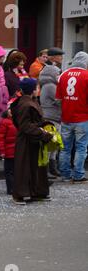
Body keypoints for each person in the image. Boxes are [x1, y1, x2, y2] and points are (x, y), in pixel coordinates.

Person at [11, 78, 53, 204]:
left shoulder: (28, 101)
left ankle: (37, 192)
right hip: (26, 140)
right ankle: (20, 195)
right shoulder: (26, 104)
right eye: (37, 87)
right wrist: (42, 132)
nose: (38, 89)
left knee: (36, 167)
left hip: (32, 139)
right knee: (24, 168)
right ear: (33, 90)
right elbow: (25, 125)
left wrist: (45, 125)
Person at [55, 51, 88, 183]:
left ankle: (65, 174)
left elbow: (58, 99)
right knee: (81, 147)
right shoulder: (86, 75)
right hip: (82, 117)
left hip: (66, 117)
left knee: (65, 148)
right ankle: (78, 174)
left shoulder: (64, 75)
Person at [39, 64, 62, 178]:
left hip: (54, 118)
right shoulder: (50, 86)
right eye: (57, 73)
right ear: (51, 74)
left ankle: (52, 168)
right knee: (49, 146)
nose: (59, 75)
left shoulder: (49, 85)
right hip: (51, 118)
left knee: (54, 146)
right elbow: (59, 100)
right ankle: (46, 169)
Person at [0, 108, 17, 195]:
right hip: (9, 151)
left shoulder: (18, 121)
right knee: (9, 171)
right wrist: (2, 151)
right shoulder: (5, 122)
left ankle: (15, 188)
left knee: (14, 170)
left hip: (16, 150)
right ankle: (11, 189)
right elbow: (0, 138)